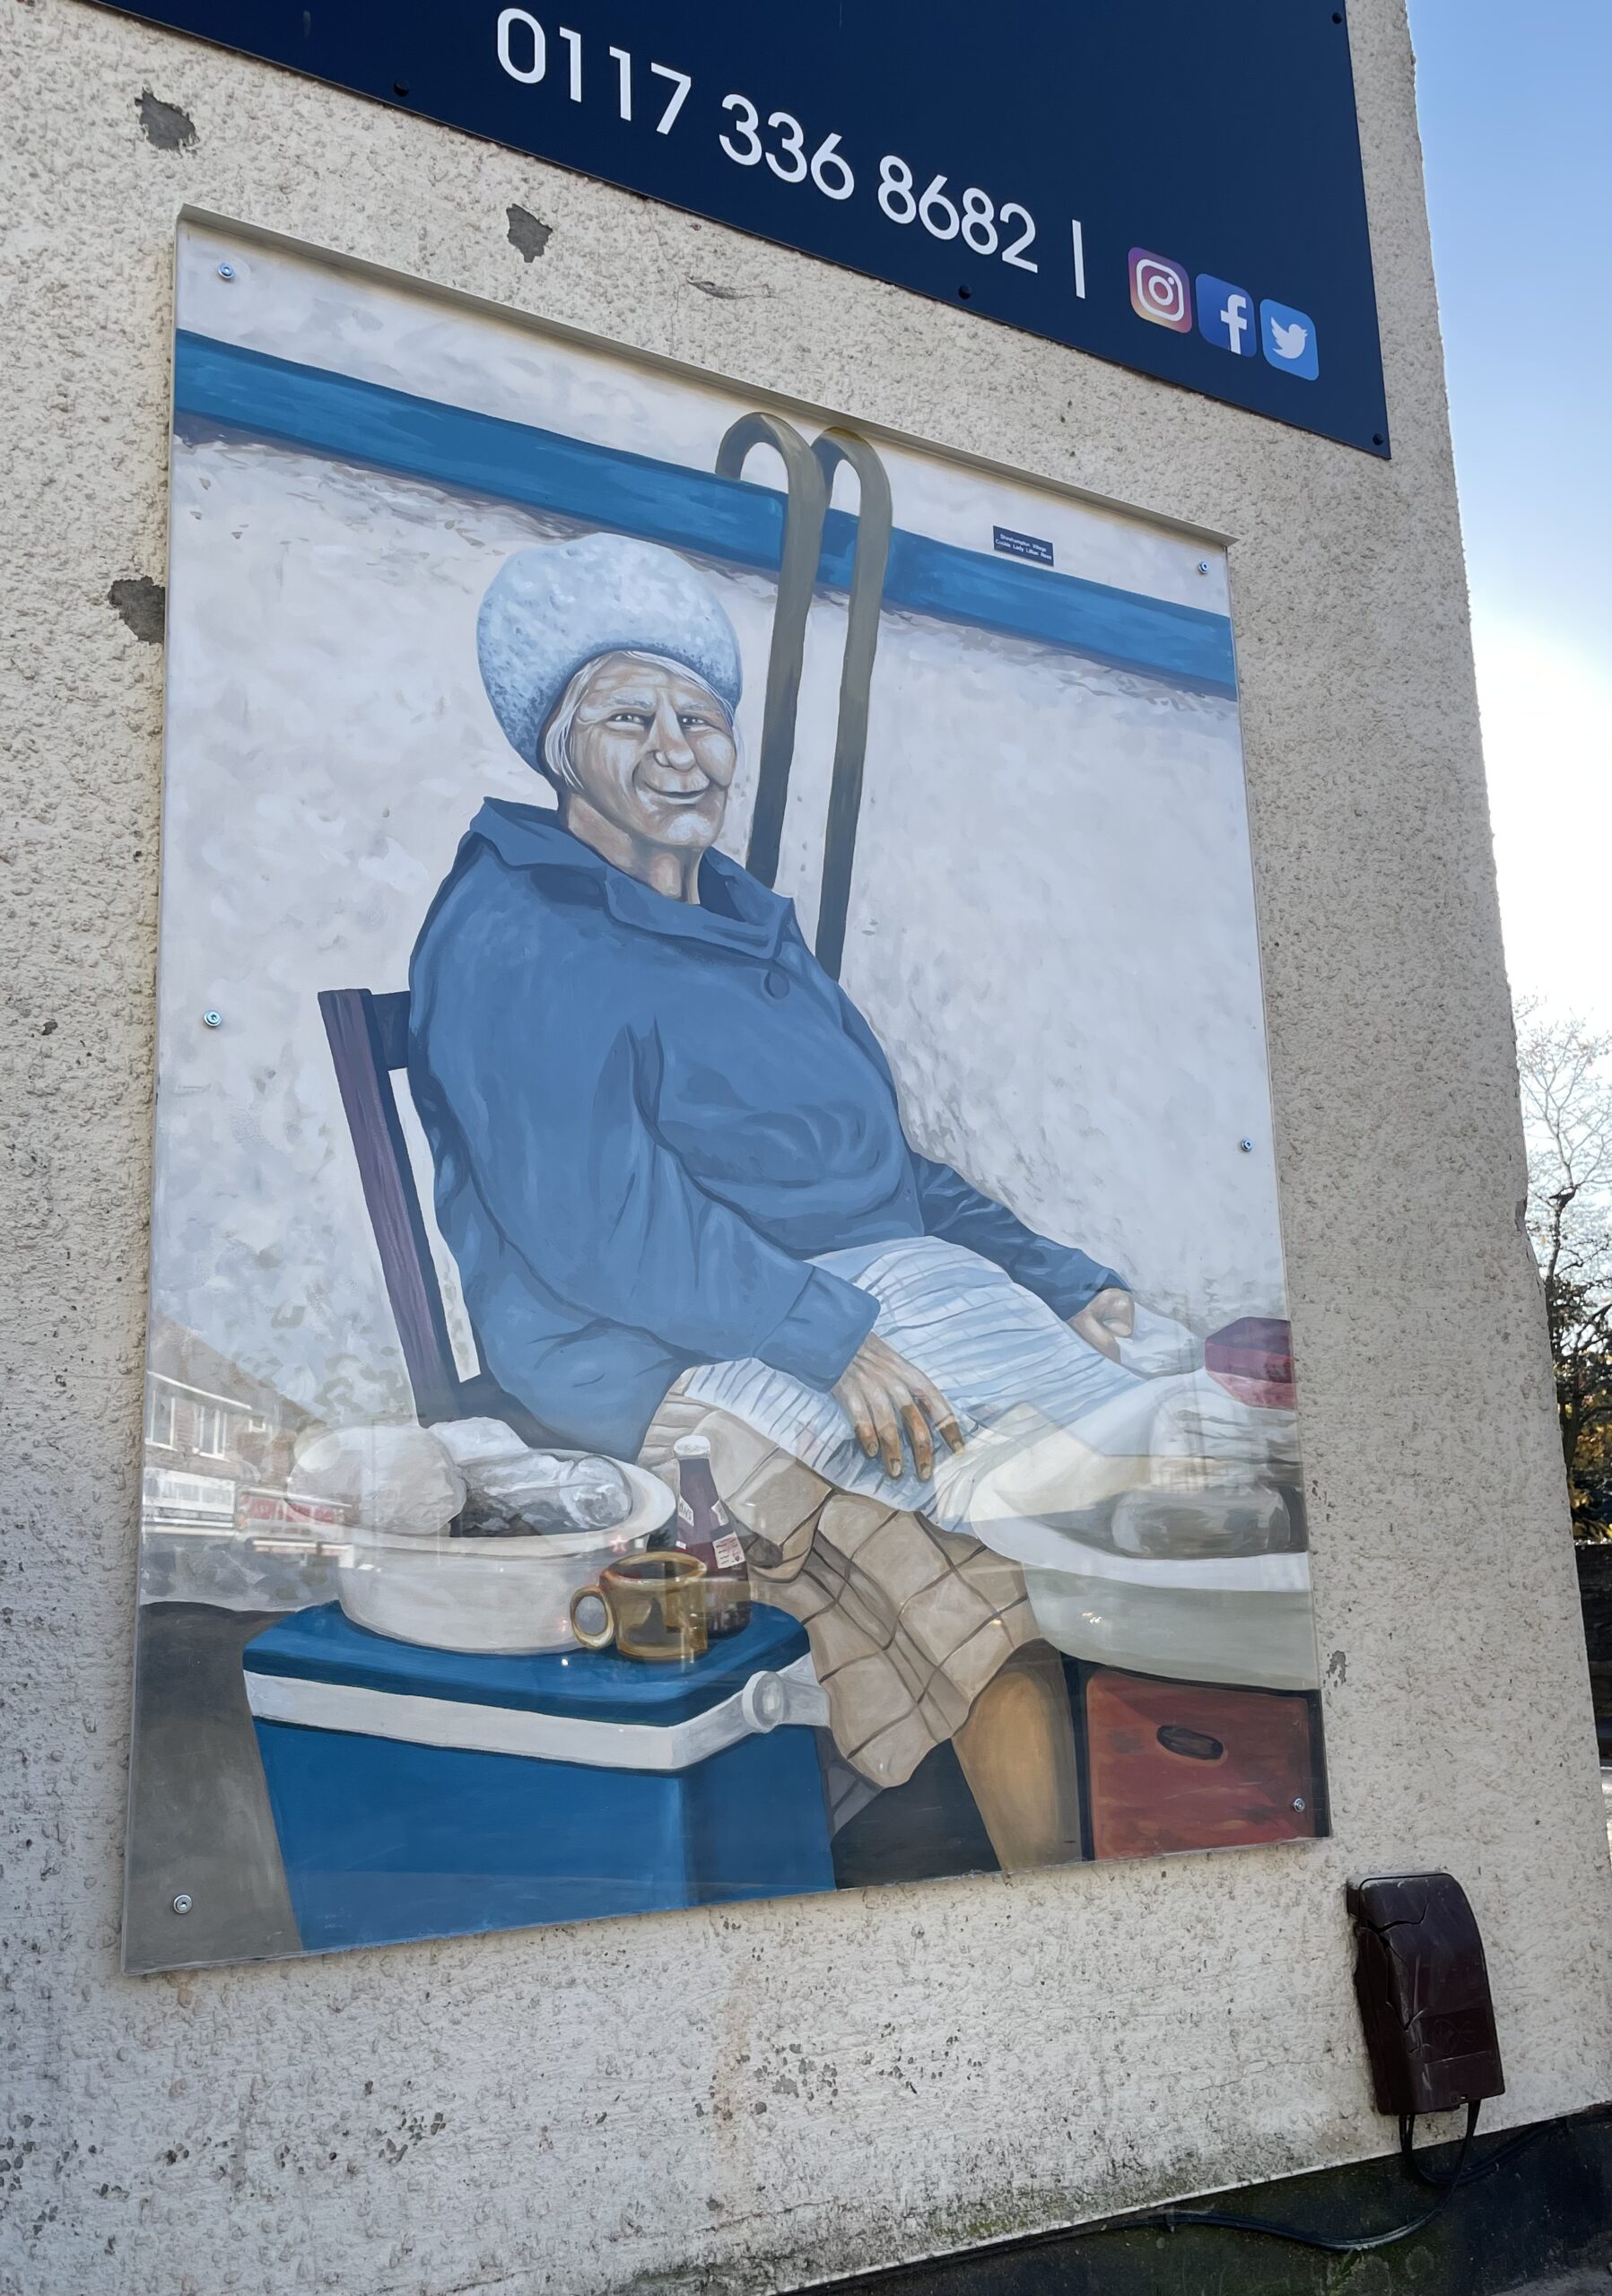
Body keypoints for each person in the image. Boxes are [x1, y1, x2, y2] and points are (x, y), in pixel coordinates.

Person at [410, 532, 1140, 1864]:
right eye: (627, 717)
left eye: (699, 714)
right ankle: (1063, 1906)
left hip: (839, 1314)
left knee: (1129, 1470)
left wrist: (1057, 1277)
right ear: (554, 744)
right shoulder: (514, 929)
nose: (677, 748)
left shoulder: (748, 927)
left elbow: (879, 1175)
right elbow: (594, 1220)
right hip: (641, 1355)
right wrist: (827, 1336)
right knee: (1002, 1579)